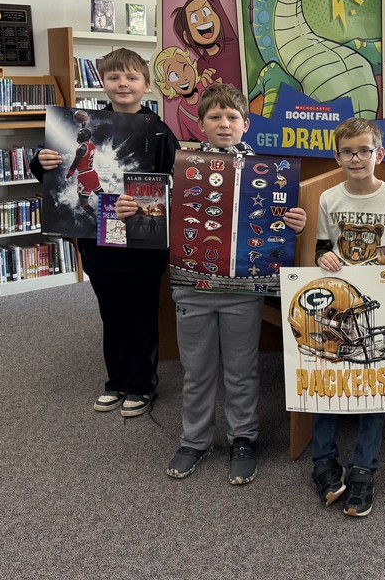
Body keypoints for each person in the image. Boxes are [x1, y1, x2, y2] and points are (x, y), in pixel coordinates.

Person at [127, 83, 305, 485]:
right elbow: (154, 216)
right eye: (214, 117)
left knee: (242, 370)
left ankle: (244, 438)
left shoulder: (269, 172)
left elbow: (278, 226)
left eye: (231, 118)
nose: (224, 124)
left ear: (246, 123)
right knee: (197, 369)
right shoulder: (181, 168)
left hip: (241, 291)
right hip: (192, 287)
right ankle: (195, 439)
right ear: (201, 123)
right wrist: (133, 208)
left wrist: (296, 223)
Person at [31, 48, 178, 418]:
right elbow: (56, 179)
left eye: (130, 77)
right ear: (102, 83)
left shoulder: (158, 130)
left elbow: (175, 185)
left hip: (142, 241)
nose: (122, 83)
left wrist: (144, 205)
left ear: (146, 84)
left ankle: (142, 384)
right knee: (111, 311)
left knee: (142, 311)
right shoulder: (82, 127)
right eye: (114, 77)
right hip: (98, 239)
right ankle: (117, 381)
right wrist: (42, 162)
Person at [312, 118, 385, 517]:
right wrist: (319, 256)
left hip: (376, 298)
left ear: (379, 154)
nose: (356, 158)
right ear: (337, 155)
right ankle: (323, 460)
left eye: (364, 151)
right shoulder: (328, 198)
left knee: (375, 384)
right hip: (337, 299)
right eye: (348, 152)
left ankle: (364, 467)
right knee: (328, 377)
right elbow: (323, 248)